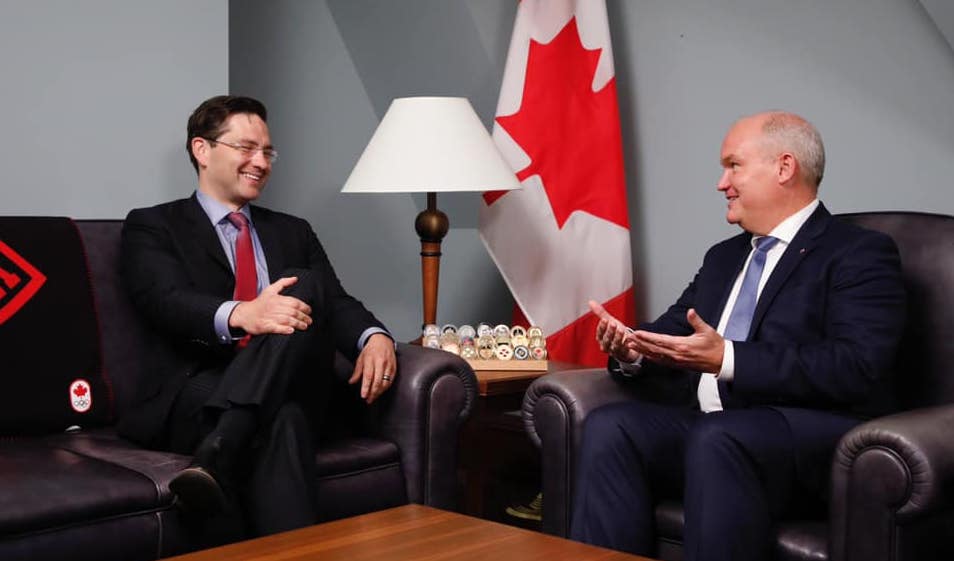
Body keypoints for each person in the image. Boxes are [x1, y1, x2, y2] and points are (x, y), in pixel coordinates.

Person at [572, 111, 906, 561]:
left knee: (723, 436)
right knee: (611, 426)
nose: (721, 183)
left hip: (804, 440)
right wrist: (633, 347)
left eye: (733, 165)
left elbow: (855, 366)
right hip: (716, 429)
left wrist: (729, 359)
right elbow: (676, 330)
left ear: (784, 168)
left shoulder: (858, 252)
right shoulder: (725, 256)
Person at [118, 95, 397, 538]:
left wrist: (374, 336)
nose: (261, 162)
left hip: (290, 375)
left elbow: (337, 303)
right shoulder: (153, 225)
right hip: (201, 386)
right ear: (202, 150)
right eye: (247, 148)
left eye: (268, 152)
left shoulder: (293, 230)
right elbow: (165, 300)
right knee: (283, 418)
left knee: (304, 283)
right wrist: (244, 314)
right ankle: (238, 444)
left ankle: (221, 447)